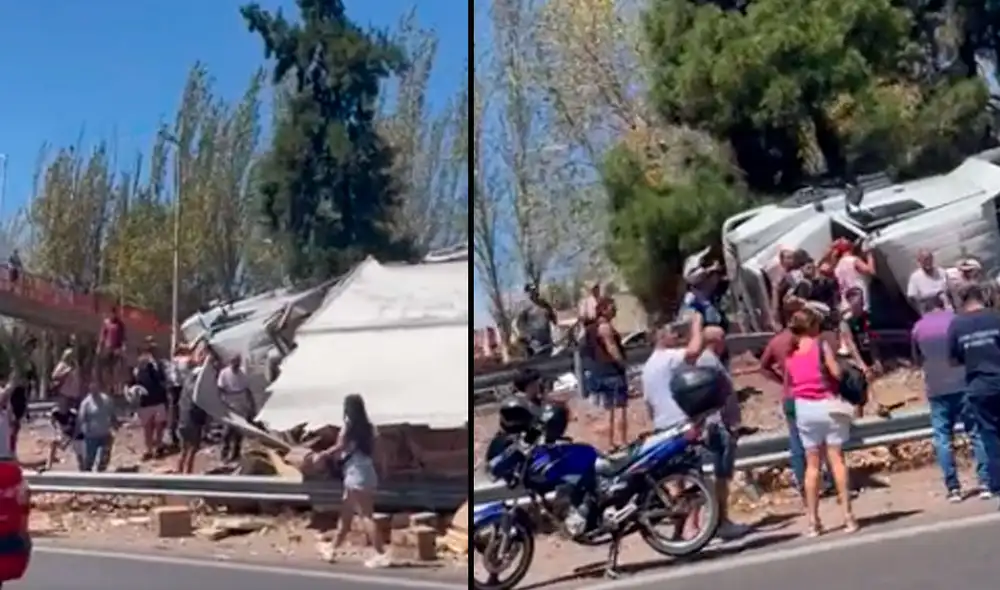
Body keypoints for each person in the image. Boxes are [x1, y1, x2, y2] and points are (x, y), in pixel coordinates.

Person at [640, 320, 749, 540]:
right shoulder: (670, 358)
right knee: (693, 477)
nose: (677, 336)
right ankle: (694, 527)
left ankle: (682, 529)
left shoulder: (648, 367)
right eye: (672, 333)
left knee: (676, 480)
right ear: (661, 337)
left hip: (662, 426)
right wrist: (696, 321)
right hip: (681, 425)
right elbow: (694, 352)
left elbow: (648, 403)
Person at [784, 309, 858, 536]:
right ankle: (847, 516)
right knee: (836, 460)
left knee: (812, 465)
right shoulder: (820, 345)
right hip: (826, 405)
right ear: (813, 326)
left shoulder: (791, 353)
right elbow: (836, 373)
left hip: (804, 408)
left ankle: (813, 521)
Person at [912, 294, 992, 500]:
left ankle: (953, 488)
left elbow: (917, 360)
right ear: (942, 305)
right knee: (975, 433)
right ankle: (985, 482)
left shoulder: (918, 328)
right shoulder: (956, 321)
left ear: (925, 309)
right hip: (963, 385)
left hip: (936, 390)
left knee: (942, 438)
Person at [758, 301, 835, 496]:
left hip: (790, 396)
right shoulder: (812, 341)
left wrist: (781, 380)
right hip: (812, 394)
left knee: (797, 442)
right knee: (823, 440)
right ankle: (827, 480)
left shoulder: (776, 341)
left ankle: (803, 484)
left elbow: (763, 366)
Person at [304, 394, 389, 568]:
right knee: (346, 516)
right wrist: (382, 470)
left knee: (366, 516)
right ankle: (332, 549)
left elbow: (339, 447)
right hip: (367, 473)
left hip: (355, 474)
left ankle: (381, 554)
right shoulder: (371, 429)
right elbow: (380, 453)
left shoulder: (348, 428)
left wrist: (323, 454)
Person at [947, 283, 1000, 504]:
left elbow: (953, 360)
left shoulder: (957, 325)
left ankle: (997, 484)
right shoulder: (995, 318)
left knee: (990, 436)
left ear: (962, 301)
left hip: (979, 386)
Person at [582, 297, 629, 448]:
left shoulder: (590, 329)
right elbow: (611, 348)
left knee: (608, 410)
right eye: (611, 307)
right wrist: (622, 363)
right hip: (612, 372)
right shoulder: (605, 327)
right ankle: (622, 441)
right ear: (603, 310)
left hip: (599, 372)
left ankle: (609, 443)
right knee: (620, 407)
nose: (615, 310)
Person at [217, 354, 256, 463]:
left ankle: (235, 454)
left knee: (239, 431)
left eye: (238, 362)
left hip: (241, 404)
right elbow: (220, 389)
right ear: (231, 362)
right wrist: (221, 403)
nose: (236, 364)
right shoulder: (224, 373)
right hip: (230, 403)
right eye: (234, 362)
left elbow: (247, 390)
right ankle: (224, 454)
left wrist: (252, 405)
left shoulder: (242, 374)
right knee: (227, 431)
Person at [77, 375, 118, 472]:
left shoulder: (106, 400)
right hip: (91, 436)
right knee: (89, 459)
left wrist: (115, 424)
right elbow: (81, 419)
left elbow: (112, 414)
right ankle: (87, 475)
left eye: (96, 385)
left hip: (105, 434)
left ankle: (101, 473)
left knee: (104, 458)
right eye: (92, 386)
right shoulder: (86, 403)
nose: (94, 388)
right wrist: (80, 433)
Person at [133, 344, 169, 460]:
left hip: (159, 400)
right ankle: (148, 449)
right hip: (145, 401)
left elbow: (162, 379)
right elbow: (134, 382)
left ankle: (158, 447)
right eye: (148, 351)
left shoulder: (158, 366)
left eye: (152, 351)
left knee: (159, 426)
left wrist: (154, 365)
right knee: (147, 427)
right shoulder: (139, 369)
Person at [515, 283, 557, 359]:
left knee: (549, 361)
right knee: (538, 363)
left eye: (534, 290)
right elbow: (519, 324)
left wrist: (554, 320)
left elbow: (553, 318)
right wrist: (528, 337)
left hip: (547, 341)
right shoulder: (524, 307)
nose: (532, 293)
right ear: (526, 293)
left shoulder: (544, 304)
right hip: (534, 344)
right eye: (530, 291)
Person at [833, 238, 875, 311]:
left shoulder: (837, 267)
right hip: (861, 302)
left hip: (847, 305)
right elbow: (871, 271)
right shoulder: (853, 260)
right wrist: (869, 254)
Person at [96, 306, 126, 393]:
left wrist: (122, 347)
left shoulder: (120, 324)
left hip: (116, 349)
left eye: (114, 313)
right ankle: (105, 386)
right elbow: (103, 336)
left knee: (115, 368)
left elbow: (123, 337)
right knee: (105, 368)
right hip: (107, 348)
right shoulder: (106, 323)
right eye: (112, 313)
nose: (113, 315)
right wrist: (99, 347)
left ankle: (114, 387)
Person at [770, 248, 797, 330]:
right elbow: (776, 293)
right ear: (782, 260)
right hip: (784, 311)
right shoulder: (780, 275)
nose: (791, 260)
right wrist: (775, 311)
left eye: (792, 257)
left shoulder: (794, 273)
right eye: (788, 258)